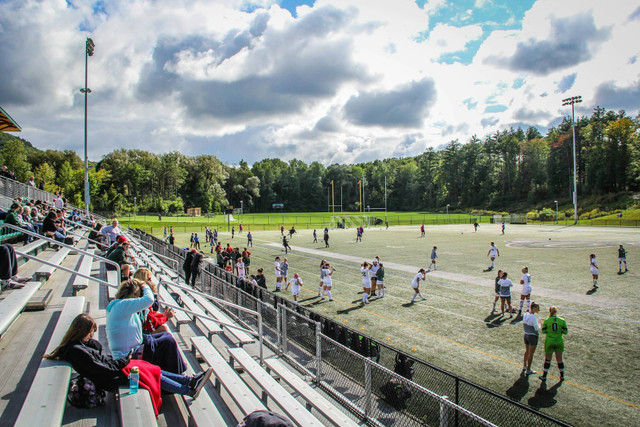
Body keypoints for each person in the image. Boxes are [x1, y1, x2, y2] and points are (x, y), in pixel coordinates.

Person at [45, 313, 213, 414]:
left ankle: (189, 382)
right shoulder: (77, 350)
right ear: (81, 331)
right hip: (111, 377)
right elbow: (103, 367)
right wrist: (126, 360)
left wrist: (123, 360)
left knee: (151, 368)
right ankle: (188, 389)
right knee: (149, 372)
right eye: (90, 332)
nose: (91, 335)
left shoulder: (76, 346)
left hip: (112, 372)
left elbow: (98, 354)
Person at [106, 279, 187, 374]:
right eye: (138, 295)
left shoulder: (120, 305)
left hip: (133, 348)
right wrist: (144, 285)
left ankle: (180, 375)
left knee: (167, 337)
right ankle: (179, 376)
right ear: (133, 295)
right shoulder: (122, 305)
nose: (139, 298)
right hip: (128, 355)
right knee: (167, 342)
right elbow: (149, 300)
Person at [133, 268, 174, 334]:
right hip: (140, 333)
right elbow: (150, 323)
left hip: (142, 328)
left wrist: (162, 315)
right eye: (149, 279)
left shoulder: (143, 295)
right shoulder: (142, 298)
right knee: (164, 328)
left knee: (163, 328)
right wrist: (166, 317)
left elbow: (151, 315)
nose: (151, 281)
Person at [539, 306, 568, 381]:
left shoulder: (547, 320)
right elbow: (565, 332)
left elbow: (543, 331)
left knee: (548, 359)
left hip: (549, 341)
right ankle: (562, 376)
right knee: (559, 359)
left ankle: (544, 376)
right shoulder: (562, 320)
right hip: (559, 340)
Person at [522, 302, 541, 376]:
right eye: (537, 308)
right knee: (531, 353)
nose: (538, 310)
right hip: (532, 336)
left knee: (527, 351)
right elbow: (536, 328)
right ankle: (528, 369)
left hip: (526, 334)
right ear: (534, 308)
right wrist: (540, 325)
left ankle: (524, 365)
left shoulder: (525, 314)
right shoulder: (533, 317)